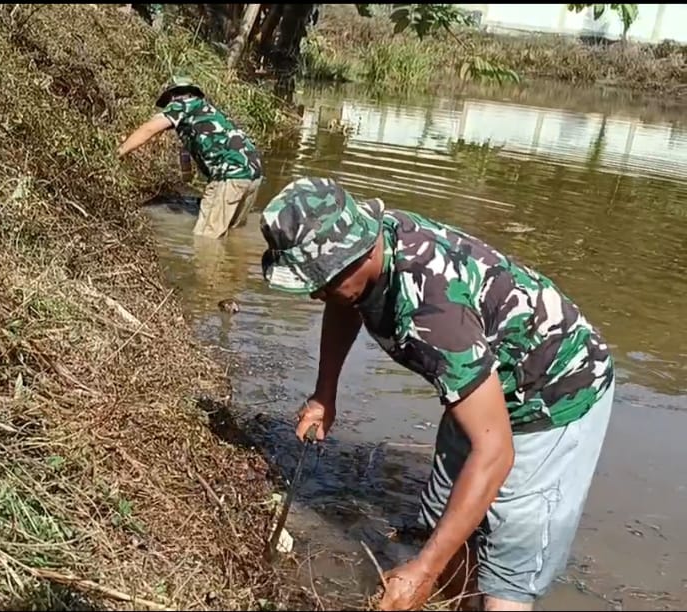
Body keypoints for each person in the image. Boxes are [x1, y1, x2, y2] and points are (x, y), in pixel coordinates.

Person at [258, 176, 615, 611]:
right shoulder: (365, 250)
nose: (315, 293)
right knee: (443, 520)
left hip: (558, 389)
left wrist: (423, 571)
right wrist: (324, 393)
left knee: (510, 567)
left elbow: (496, 452)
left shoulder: (434, 315)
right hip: (484, 377)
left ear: (360, 254)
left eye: (321, 281)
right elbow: (343, 300)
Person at [117, 76, 264, 239]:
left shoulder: (180, 105)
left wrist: (118, 153)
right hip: (253, 172)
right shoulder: (205, 113)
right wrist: (186, 181)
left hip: (230, 173)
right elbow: (186, 155)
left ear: (172, 96)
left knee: (205, 238)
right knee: (232, 232)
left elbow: (149, 129)